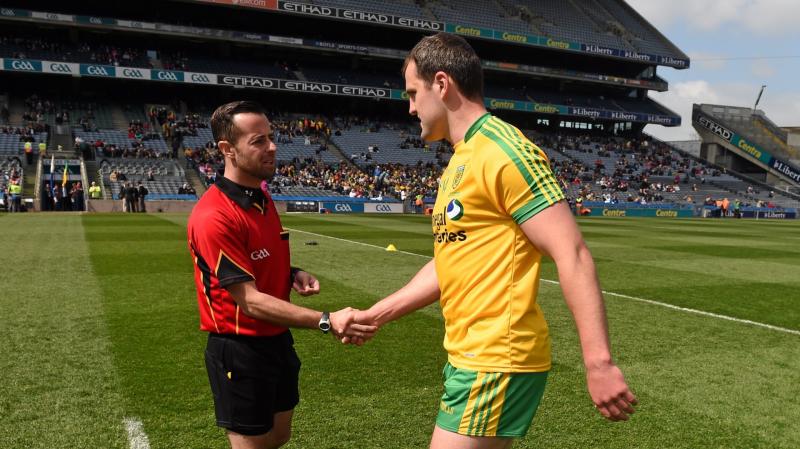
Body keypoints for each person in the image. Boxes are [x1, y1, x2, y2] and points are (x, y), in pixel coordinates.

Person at [354, 33, 636, 449]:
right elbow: (451, 261)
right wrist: (376, 314)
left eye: (414, 93)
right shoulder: (460, 159)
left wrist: (599, 363)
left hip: (496, 358)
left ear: (442, 84)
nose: (410, 107)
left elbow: (571, 252)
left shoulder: (505, 151)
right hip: (470, 355)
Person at [186, 100, 376, 449]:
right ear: (227, 149)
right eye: (258, 141)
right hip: (239, 348)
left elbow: (258, 258)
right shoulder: (213, 215)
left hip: (277, 340)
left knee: (279, 436)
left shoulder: (261, 198)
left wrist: (292, 273)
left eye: (271, 137)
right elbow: (250, 300)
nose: (273, 147)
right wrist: (326, 320)